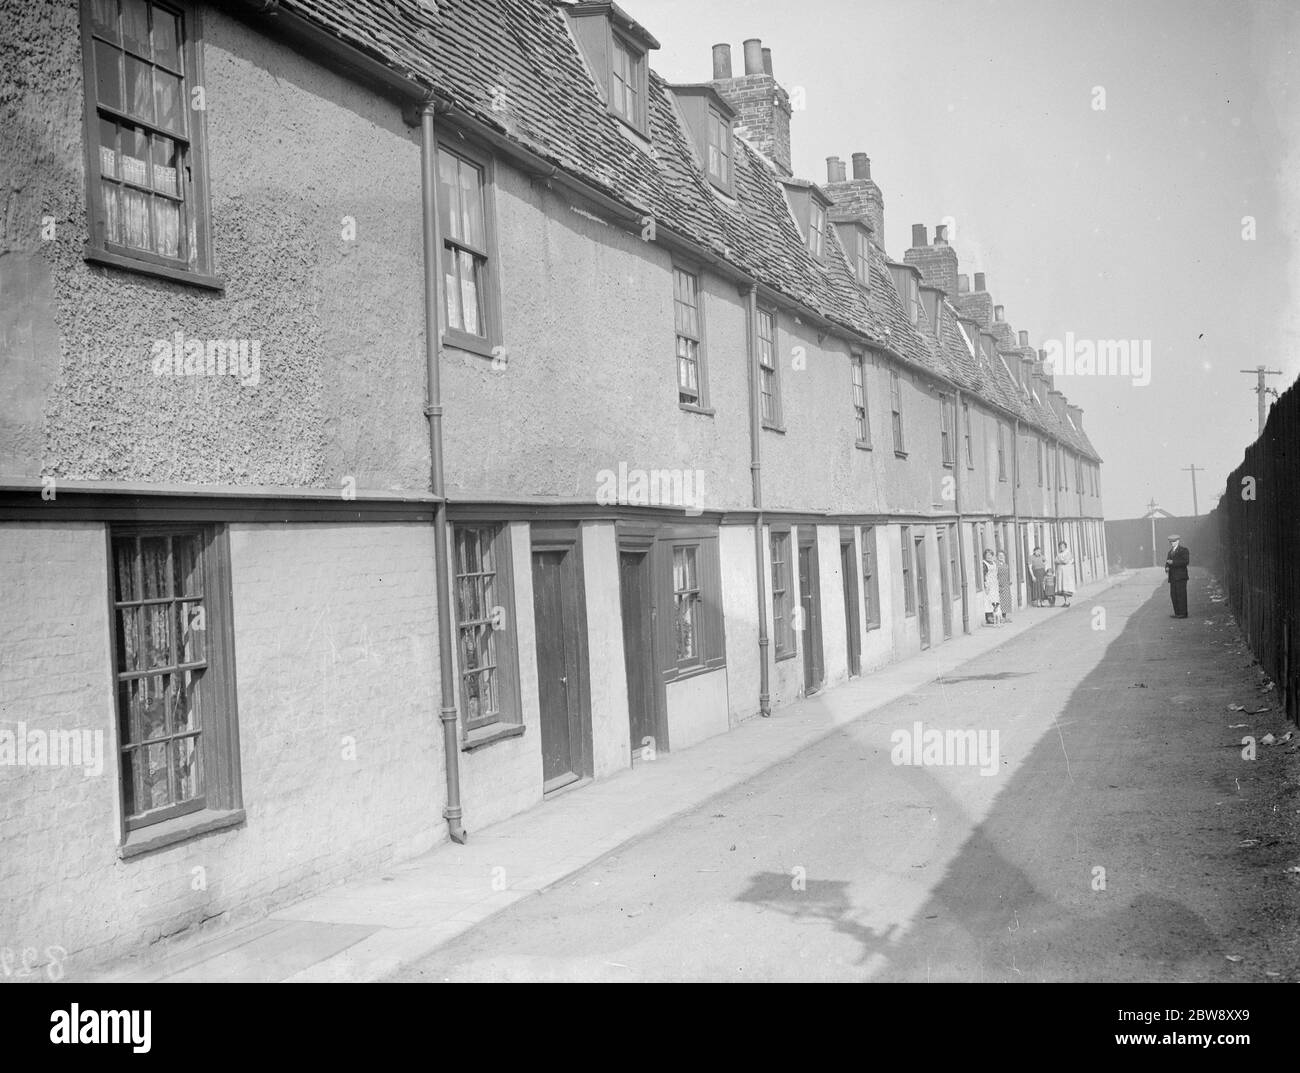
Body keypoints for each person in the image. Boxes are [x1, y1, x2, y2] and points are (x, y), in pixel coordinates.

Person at [1165, 534, 1190, 618]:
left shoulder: (1184, 550)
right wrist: (1167, 568)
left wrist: (1173, 563)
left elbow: (1185, 562)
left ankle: (1183, 613)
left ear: (1178, 541)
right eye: (1171, 542)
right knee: (1174, 595)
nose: (1172, 543)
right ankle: (1177, 613)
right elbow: (1167, 562)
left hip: (1181, 577)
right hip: (1172, 577)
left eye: (1174, 541)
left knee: (1181, 595)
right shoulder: (1170, 552)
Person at [982, 548, 1000, 624]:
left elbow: (996, 574)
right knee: (988, 600)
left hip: (994, 584)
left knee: (994, 600)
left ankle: (995, 615)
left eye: (990, 555)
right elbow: (983, 575)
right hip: (988, 584)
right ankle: (989, 617)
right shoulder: (984, 564)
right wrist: (986, 585)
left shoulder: (994, 563)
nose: (989, 557)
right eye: (987, 555)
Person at [1054, 541, 1075, 608]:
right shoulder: (1059, 554)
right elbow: (1055, 561)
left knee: (1066, 586)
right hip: (1060, 573)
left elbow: (1065, 561)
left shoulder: (1068, 553)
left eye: (1062, 546)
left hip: (1066, 573)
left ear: (1065, 546)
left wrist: (1060, 561)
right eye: (1060, 546)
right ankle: (1066, 602)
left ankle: (1067, 602)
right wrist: (1060, 561)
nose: (1061, 547)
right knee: (1062, 587)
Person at [996, 549, 1013, 622]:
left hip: (1006, 584)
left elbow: (1007, 574)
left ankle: (1004, 616)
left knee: (1006, 601)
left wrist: (1009, 581)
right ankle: (1000, 618)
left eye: (1002, 555)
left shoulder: (1005, 564)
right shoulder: (996, 564)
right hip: (1000, 584)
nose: (1001, 557)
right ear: (997, 556)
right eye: (999, 555)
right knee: (1000, 601)